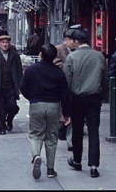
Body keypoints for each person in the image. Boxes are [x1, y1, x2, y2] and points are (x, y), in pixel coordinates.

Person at [20, 43, 71, 180]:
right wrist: (66, 113)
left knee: (35, 134)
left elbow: (23, 87)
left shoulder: (32, 70)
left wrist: (32, 97)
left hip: (36, 104)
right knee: (52, 137)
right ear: (54, 56)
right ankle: (50, 169)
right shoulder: (59, 73)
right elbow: (64, 94)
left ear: (41, 55)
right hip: (54, 105)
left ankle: (36, 155)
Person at [64, 28, 108, 179]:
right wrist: (103, 95)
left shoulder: (72, 57)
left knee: (77, 130)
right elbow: (105, 78)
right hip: (94, 97)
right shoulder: (99, 56)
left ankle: (77, 160)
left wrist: (66, 103)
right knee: (94, 131)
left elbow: (67, 81)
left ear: (76, 42)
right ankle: (94, 165)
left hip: (77, 98)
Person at [0, 35, 23, 135]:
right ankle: (2, 127)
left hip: (11, 86)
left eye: (6, 42)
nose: (5, 45)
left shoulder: (14, 55)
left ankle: (9, 119)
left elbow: (19, 70)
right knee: (0, 109)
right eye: (3, 43)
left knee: (13, 106)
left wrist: (20, 85)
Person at [53, 25, 80, 150]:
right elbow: (55, 63)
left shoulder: (79, 51)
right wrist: (68, 66)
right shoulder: (59, 49)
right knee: (62, 113)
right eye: (73, 40)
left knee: (73, 114)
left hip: (76, 87)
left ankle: (71, 143)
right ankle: (60, 130)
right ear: (67, 40)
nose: (75, 43)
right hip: (62, 86)